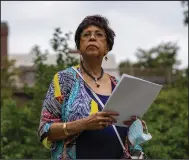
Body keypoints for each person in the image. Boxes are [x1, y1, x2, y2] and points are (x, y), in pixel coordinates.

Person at [38, 15, 145, 159]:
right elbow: (45, 130)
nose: (92, 38)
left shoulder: (120, 85)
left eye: (99, 34)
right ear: (79, 47)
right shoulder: (63, 80)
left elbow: (133, 140)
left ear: (107, 47)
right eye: (86, 35)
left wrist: (135, 126)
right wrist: (83, 124)